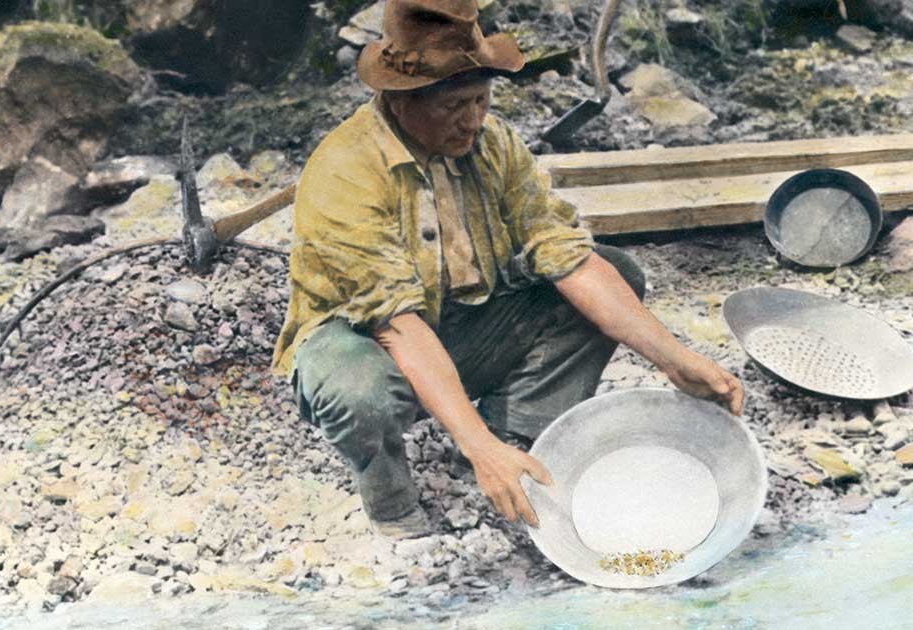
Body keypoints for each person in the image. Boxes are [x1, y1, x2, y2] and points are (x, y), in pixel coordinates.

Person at [271, 0, 744, 538]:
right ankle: (392, 499)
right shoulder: (344, 170)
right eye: (454, 106)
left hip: (462, 324)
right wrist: (476, 446)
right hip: (364, 342)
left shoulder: (492, 144)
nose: (473, 120)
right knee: (359, 391)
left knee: (616, 274)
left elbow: (564, 255)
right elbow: (396, 323)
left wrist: (676, 360)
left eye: (481, 100)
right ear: (400, 100)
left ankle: (514, 434)